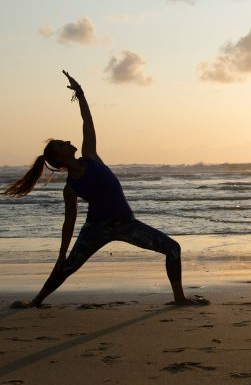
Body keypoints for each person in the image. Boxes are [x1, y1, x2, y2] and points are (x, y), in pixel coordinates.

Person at [3, 70, 203, 308]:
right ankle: (36, 301)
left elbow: (87, 122)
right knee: (67, 267)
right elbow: (69, 223)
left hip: (127, 224)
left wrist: (80, 93)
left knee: (173, 249)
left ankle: (179, 298)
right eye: (61, 144)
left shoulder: (90, 156)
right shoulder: (70, 188)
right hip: (96, 229)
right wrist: (61, 254)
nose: (67, 142)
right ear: (59, 158)